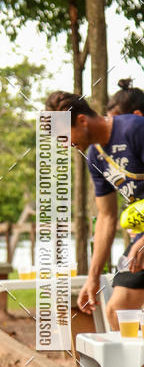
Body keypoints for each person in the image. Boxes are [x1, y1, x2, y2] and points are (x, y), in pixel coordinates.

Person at [44, 91, 144, 327]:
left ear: (81, 120)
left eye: (64, 135)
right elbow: (106, 217)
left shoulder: (135, 128)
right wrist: (93, 277)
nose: (66, 144)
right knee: (117, 313)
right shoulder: (95, 157)